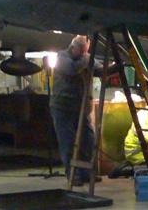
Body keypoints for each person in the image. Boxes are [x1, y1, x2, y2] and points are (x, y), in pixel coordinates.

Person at [50, 36, 96, 186]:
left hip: (80, 107)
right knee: (68, 142)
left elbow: (99, 69)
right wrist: (88, 58)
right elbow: (72, 69)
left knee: (88, 139)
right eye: (81, 51)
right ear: (73, 48)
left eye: (85, 52)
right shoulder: (62, 57)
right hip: (62, 107)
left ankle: (84, 172)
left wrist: (115, 67)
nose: (83, 54)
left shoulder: (84, 58)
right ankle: (72, 174)